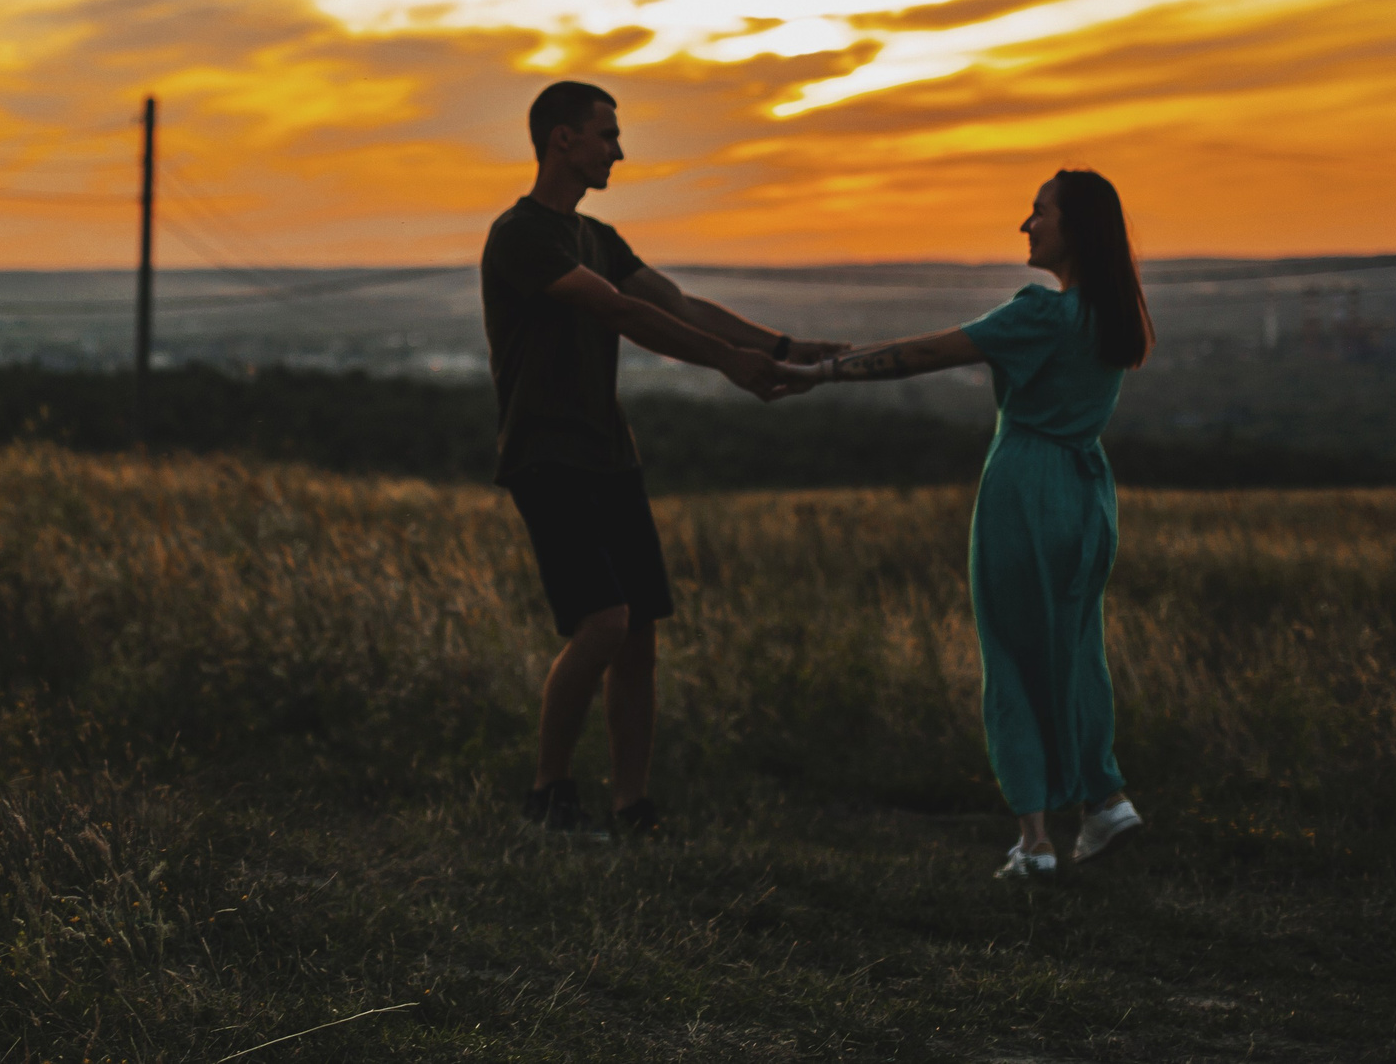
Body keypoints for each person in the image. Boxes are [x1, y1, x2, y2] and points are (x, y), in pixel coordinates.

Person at [482, 81, 838, 837]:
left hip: (611, 453)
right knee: (603, 621)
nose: (620, 148)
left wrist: (773, 345)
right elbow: (621, 311)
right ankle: (548, 793)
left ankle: (631, 806)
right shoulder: (521, 235)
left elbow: (673, 302)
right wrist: (729, 364)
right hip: (547, 453)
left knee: (638, 629)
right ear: (562, 141)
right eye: (607, 133)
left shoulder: (599, 237)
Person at [787, 169, 1155, 878]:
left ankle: (1035, 839)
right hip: (1088, 496)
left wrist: (826, 372)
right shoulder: (1112, 318)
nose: (1026, 224)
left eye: (1038, 211)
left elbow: (930, 354)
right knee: (1076, 651)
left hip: (1025, 487)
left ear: (1073, 228)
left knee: (1011, 653)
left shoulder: (1040, 313)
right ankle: (1105, 798)